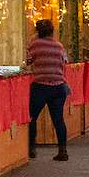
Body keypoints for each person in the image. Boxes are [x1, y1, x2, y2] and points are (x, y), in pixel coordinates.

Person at [26, 19, 70, 162]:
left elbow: (27, 61)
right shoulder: (59, 46)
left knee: (32, 117)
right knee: (58, 120)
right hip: (58, 86)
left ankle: (31, 148)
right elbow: (65, 62)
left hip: (41, 86)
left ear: (38, 32)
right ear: (52, 32)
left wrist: (33, 39)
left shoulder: (34, 45)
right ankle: (62, 150)